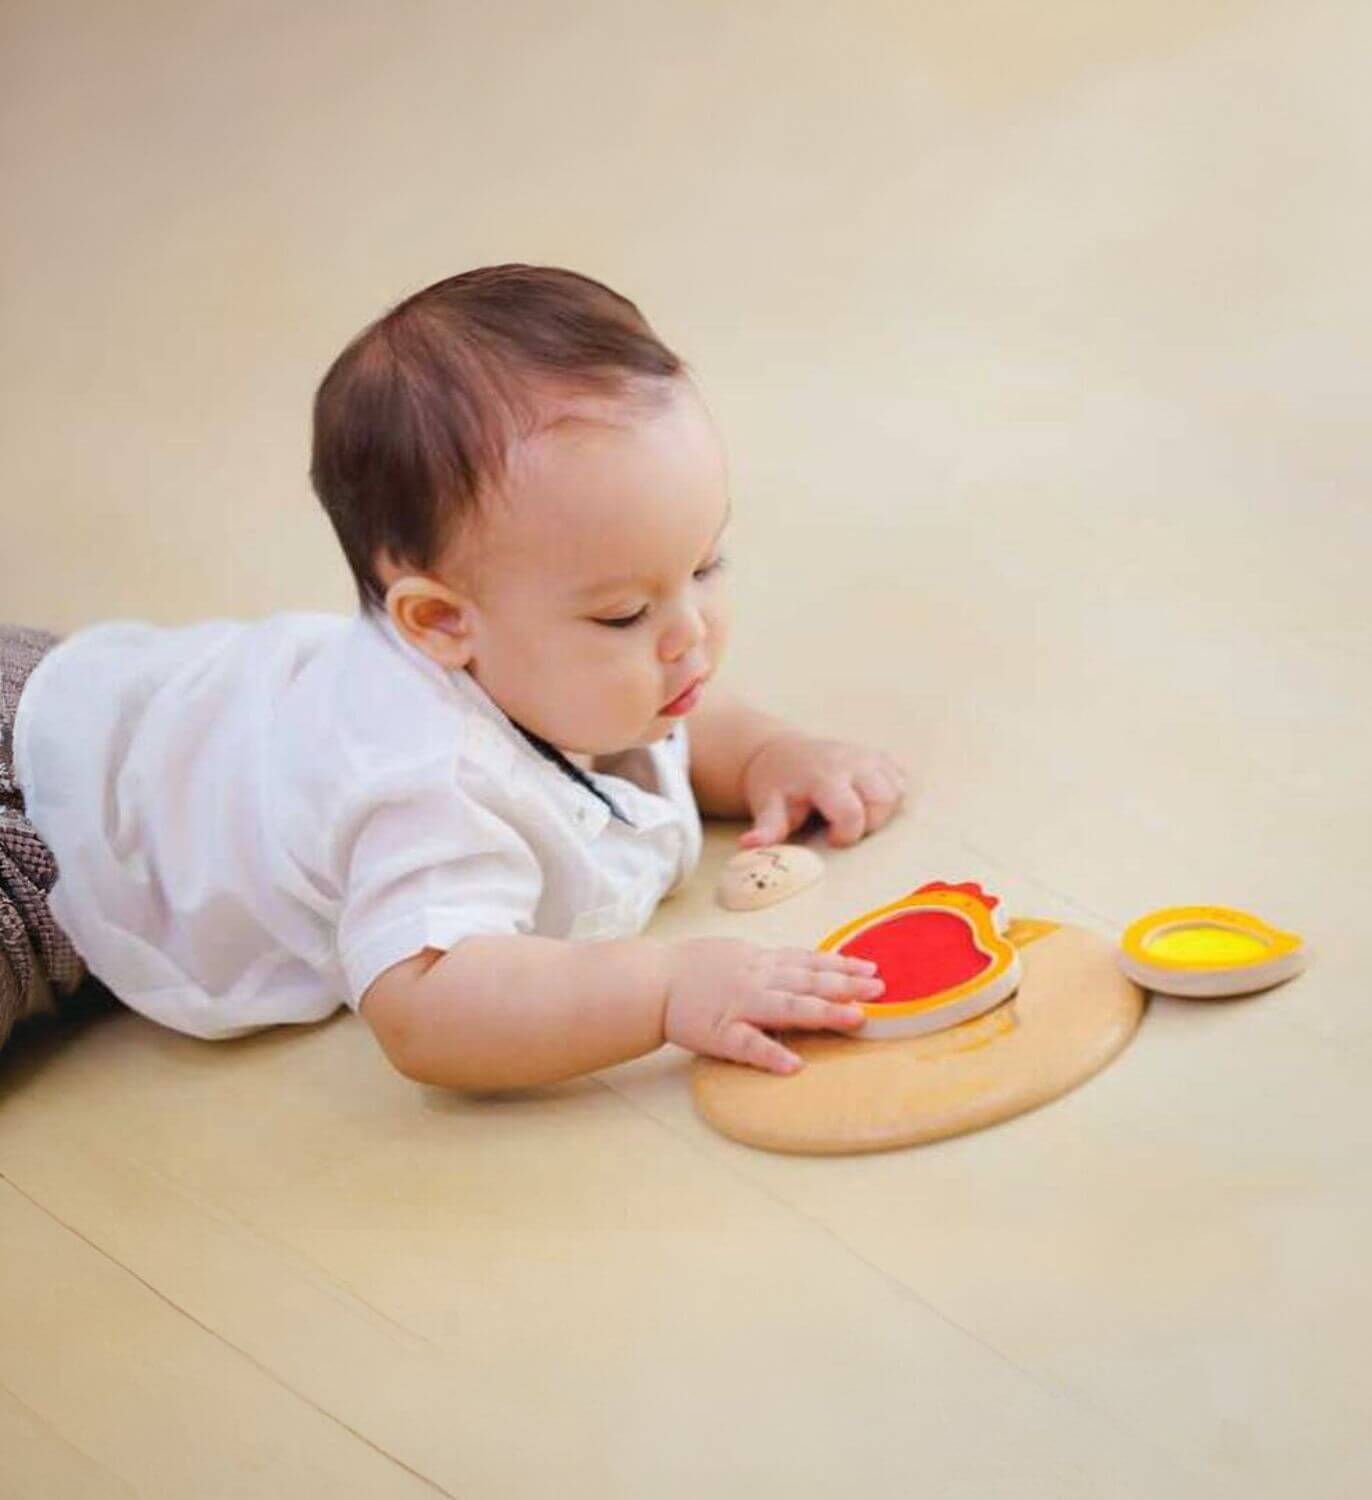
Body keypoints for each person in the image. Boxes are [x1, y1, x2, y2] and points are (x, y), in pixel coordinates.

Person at [3, 264, 910, 1088]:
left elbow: (654, 720)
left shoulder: (562, 668)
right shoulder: (424, 784)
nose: (690, 636)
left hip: (97, 714)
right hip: (38, 821)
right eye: (625, 614)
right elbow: (427, 1005)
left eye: (706, 567)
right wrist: (665, 987)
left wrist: (766, 756)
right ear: (438, 621)